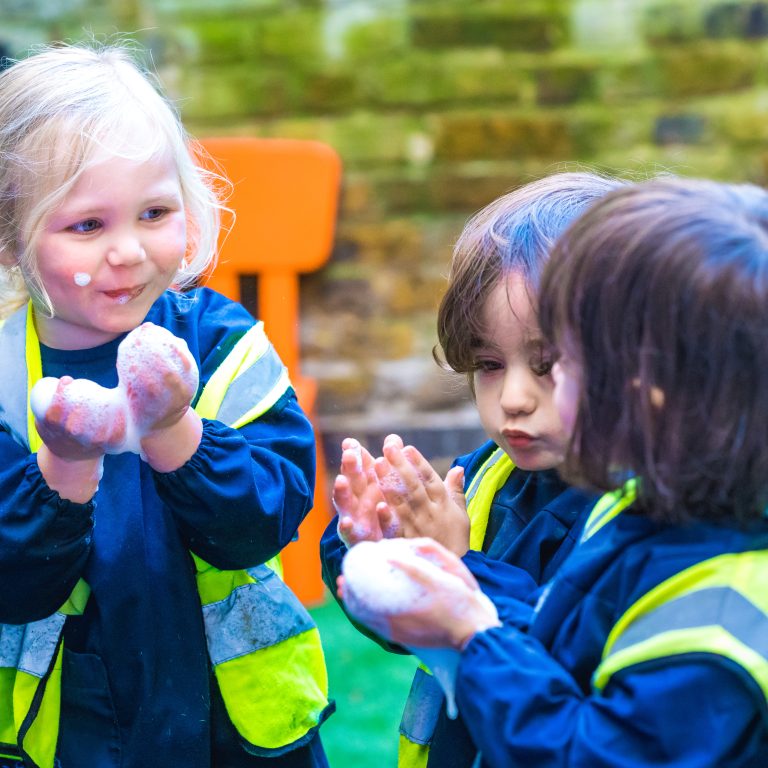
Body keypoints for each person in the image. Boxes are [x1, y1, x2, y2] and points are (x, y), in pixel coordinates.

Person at [351, 176, 768, 767]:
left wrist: (474, 622)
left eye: (564, 362)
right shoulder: (656, 503)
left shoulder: (724, 603)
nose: (522, 394)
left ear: (662, 389)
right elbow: (562, 637)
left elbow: (587, 750)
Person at [0, 43, 333, 768]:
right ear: (8, 238)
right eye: (87, 225)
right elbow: (13, 578)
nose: (128, 250)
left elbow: (265, 522)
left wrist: (173, 425)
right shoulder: (2, 376)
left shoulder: (223, 345)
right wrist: (66, 460)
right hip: (63, 724)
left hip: (232, 720)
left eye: (154, 212)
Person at [320, 172, 625, 768]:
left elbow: (559, 663)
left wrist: (458, 570)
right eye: (489, 363)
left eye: (548, 364)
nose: (513, 397)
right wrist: (374, 549)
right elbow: (408, 629)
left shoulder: (640, 512)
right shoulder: (484, 478)